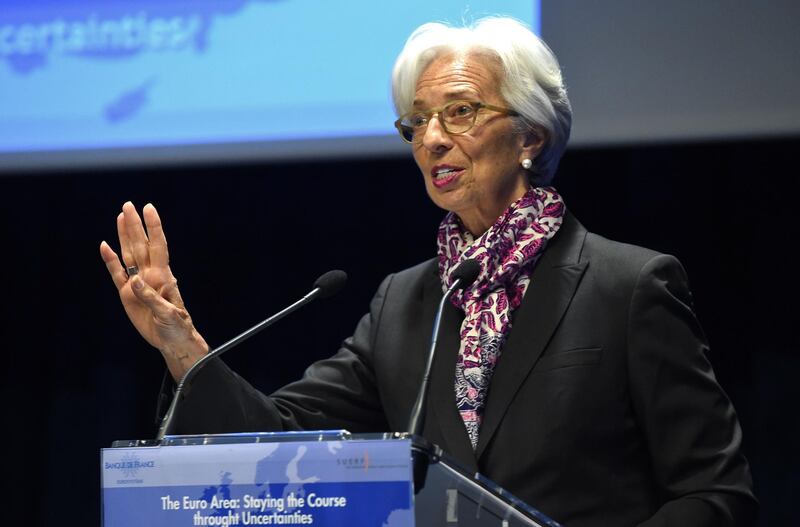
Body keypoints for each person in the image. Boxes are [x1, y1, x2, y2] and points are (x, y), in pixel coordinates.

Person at [99, 17, 756, 527]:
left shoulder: (628, 287)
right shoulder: (408, 302)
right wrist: (181, 343)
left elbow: (715, 494)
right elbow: (283, 441)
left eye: (460, 112)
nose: (432, 139)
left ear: (530, 135)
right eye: (417, 122)